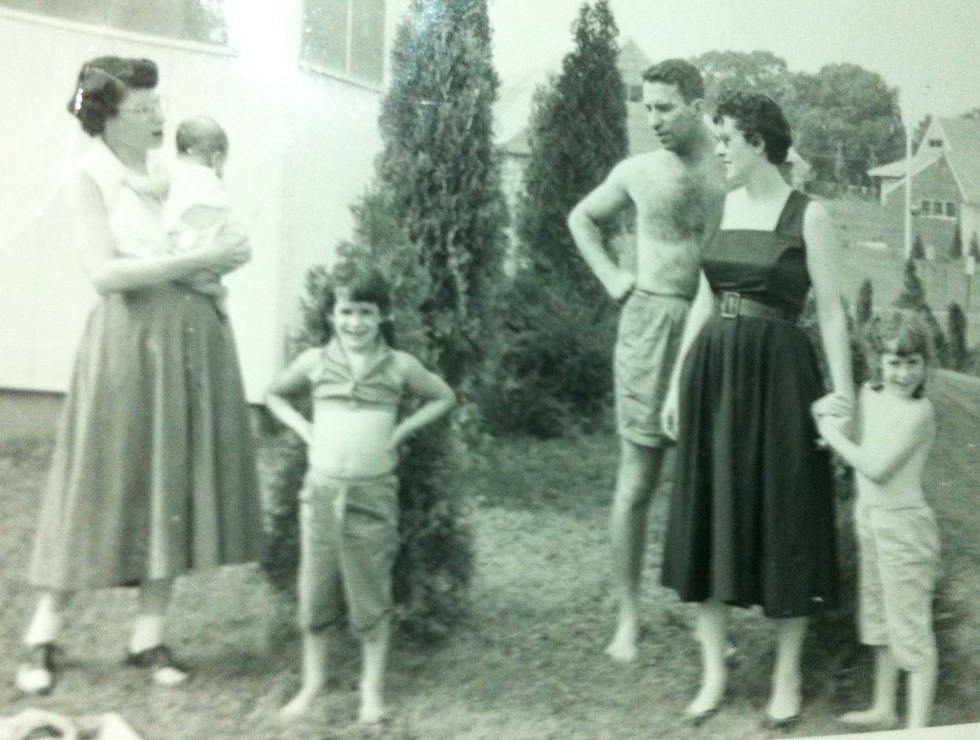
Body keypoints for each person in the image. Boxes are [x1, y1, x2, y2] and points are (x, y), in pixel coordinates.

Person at [15, 57, 261, 696]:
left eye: (158, 106)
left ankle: (147, 637)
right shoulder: (86, 175)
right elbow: (106, 273)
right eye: (142, 109)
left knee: (170, 487)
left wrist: (218, 261)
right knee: (96, 483)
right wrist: (203, 259)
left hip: (191, 340)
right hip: (128, 343)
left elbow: (205, 236)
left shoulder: (173, 169)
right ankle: (43, 634)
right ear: (106, 116)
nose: (157, 118)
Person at [659, 90, 854, 726]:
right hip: (714, 375)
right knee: (710, 512)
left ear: (759, 143)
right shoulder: (724, 207)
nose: (719, 151)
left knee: (787, 515)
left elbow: (831, 311)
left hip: (782, 379)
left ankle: (787, 676)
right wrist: (675, 386)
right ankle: (714, 673)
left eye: (727, 140)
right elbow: (702, 300)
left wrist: (844, 395)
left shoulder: (808, 215)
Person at [567, 59, 726, 663]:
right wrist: (613, 276)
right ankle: (629, 618)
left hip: (717, 326)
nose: (653, 118)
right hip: (650, 324)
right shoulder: (638, 171)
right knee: (637, 481)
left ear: (697, 105)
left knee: (709, 482)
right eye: (647, 106)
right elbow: (582, 218)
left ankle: (708, 624)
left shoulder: (730, 170)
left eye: (665, 107)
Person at [265, 262, 455, 724]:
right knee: (316, 592)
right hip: (321, 494)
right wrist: (305, 430)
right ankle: (312, 683)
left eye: (366, 312)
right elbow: (274, 394)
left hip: (373, 497)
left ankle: (371, 690)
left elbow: (443, 396)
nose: (355, 322)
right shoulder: (315, 362)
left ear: (383, 315)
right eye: (346, 312)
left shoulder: (399, 365)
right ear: (331, 315)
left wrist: (401, 431)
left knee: (371, 594)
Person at [813, 308, 940, 730]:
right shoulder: (870, 394)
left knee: (912, 631)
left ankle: (918, 729)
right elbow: (846, 429)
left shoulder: (919, 413)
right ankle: (885, 708)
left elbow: (877, 467)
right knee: (880, 620)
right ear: (877, 361)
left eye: (913, 362)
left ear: (925, 363)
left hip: (905, 528)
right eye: (894, 362)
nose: (904, 373)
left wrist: (830, 435)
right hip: (870, 519)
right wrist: (822, 412)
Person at [124, 115, 237, 310]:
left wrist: (131, 181)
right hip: (214, 236)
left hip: (185, 237)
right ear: (217, 159)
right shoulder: (214, 180)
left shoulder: (172, 170)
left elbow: (152, 187)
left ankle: (208, 288)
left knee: (175, 266)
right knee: (204, 273)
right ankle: (215, 291)